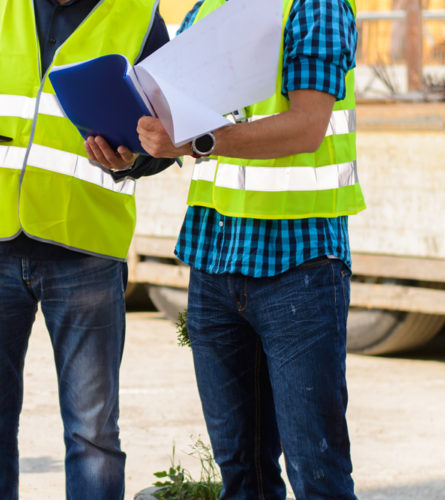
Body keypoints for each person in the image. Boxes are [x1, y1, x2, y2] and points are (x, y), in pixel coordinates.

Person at [0, 0, 173, 497]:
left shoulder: (139, 16)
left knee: (93, 437)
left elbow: (170, 133)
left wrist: (132, 160)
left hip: (86, 250)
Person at [136, 0, 364, 498]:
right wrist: (133, 144)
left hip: (298, 263)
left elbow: (308, 126)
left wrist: (197, 143)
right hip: (215, 258)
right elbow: (178, 118)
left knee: (317, 473)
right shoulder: (206, 8)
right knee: (242, 475)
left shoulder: (314, 6)